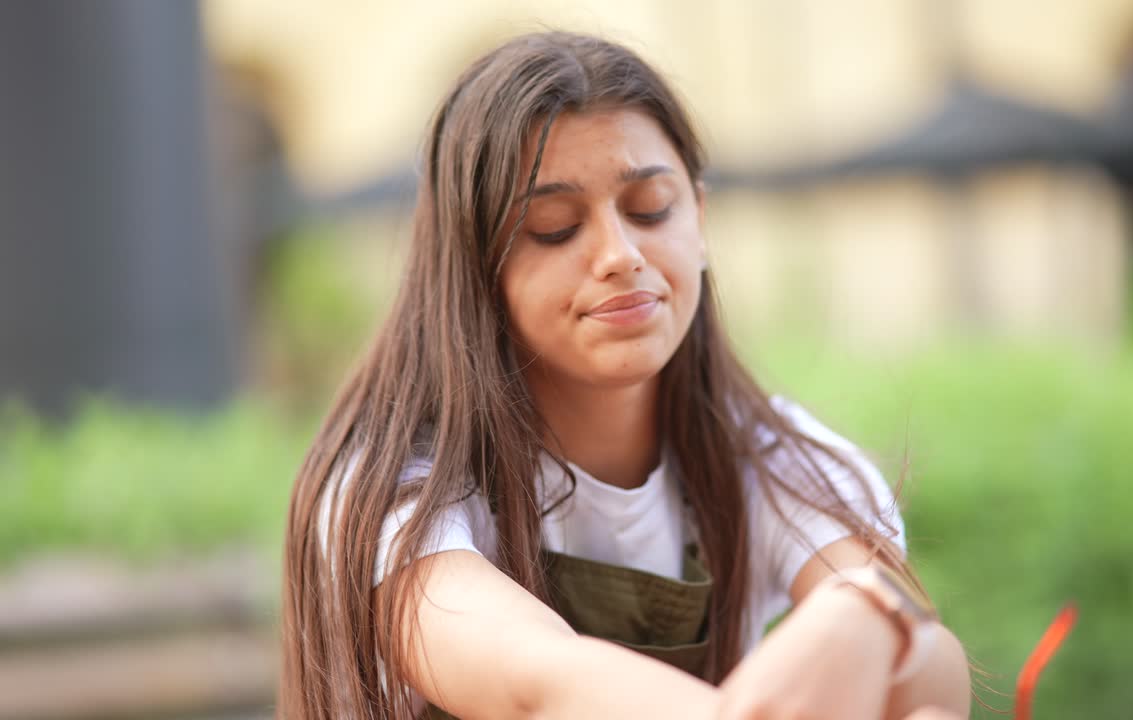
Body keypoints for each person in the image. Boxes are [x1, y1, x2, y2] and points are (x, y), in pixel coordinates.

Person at [278, 31, 971, 720]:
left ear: (699, 219)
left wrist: (874, 615)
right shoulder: (397, 487)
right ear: (475, 271)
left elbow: (930, 667)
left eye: (649, 210)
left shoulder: (771, 454)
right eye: (553, 226)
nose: (619, 254)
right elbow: (540, 685)